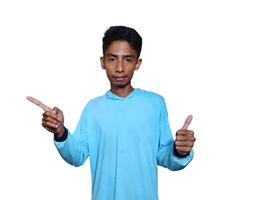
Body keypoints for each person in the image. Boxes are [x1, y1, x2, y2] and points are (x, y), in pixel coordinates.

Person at [27, 25, 196, 200]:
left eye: (128, 60)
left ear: (138, 63)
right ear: (102, 62)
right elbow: (77, 156)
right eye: (112, 59)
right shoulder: (93, 108)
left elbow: (163, 155)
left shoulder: (155, 103)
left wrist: (179, 151)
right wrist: (60, 132)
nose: (120, 68)